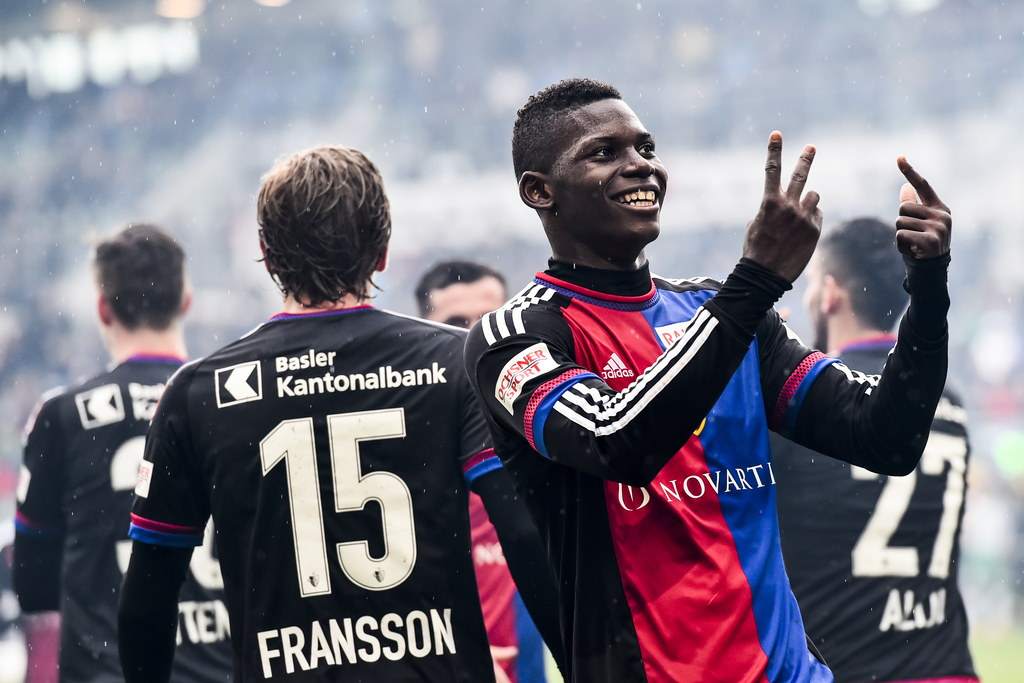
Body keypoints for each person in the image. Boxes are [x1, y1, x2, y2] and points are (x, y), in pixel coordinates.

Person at [463, 78, 953, 683]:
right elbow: (618, 441)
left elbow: (887, 438)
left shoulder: (722, 311)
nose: (639, 166)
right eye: (603, 153)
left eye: (645, 147)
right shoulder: (513, 338)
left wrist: (928, 290)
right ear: (539, 191)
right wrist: (756, 279)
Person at [117, 146, 562, 683]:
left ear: (265, 251)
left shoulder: (194, 393)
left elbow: (147, 598)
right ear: (383, 251)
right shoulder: (456, 362)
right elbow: (524, 533)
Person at [13, 224, 232, 683]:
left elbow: (33, 585)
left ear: (102, 308)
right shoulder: (230, 406)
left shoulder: (62, 415)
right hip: (220, 670)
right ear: (186, 301)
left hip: (107, 671)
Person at [772, 218, 976, 683]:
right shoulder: (950, 405)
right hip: (946, 669)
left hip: (846, 670)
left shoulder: (799, 408)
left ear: (829, 294)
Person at [416, 260, 549, 683]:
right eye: (455, 324)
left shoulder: (555, 446)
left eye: (487, 322)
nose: (472, 338)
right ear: (423, 334)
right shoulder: (408, 464)